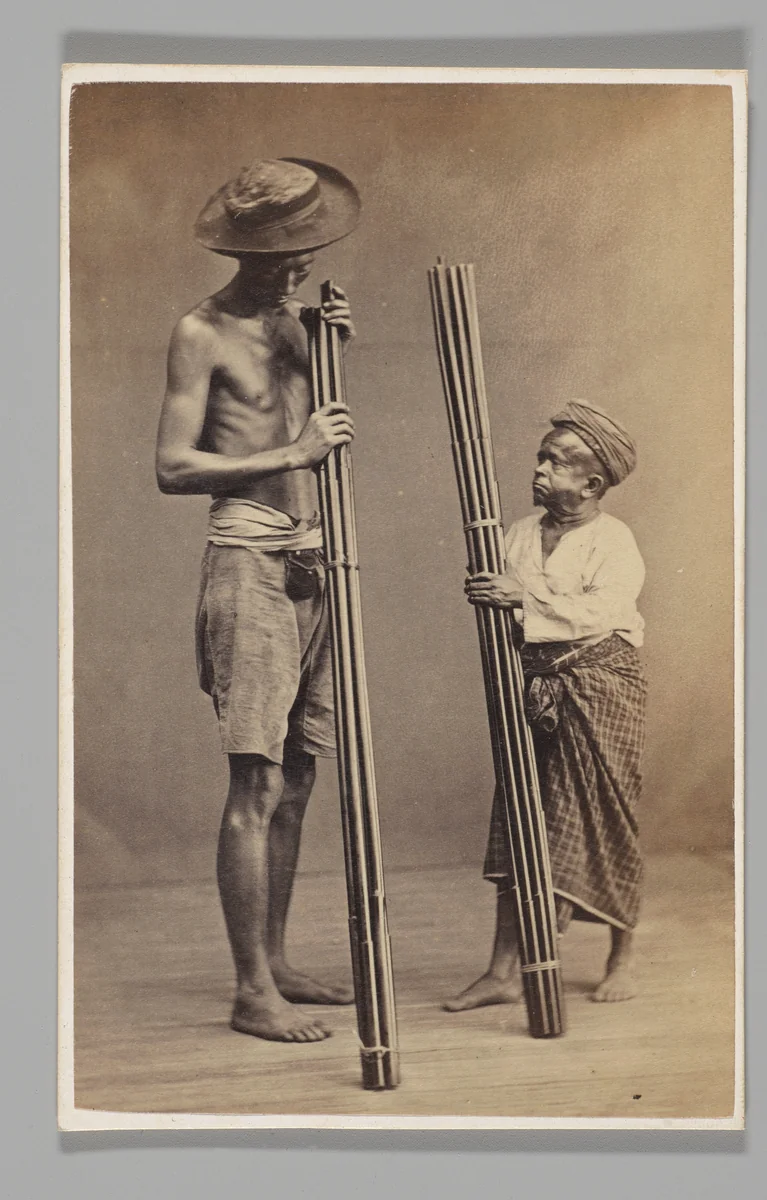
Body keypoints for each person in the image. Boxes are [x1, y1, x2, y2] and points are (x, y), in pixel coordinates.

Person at [155, 158, 362, 1043]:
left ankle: (274, 961)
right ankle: (249, 991)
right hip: (246, 563)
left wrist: (325, 350)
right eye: (285, 252)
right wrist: (293, 456)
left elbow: (299, 422)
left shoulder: (291, 321)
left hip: (314, 564)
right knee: (257, 778)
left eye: (308, 248)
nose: (300, 264)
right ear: (243, 249)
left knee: (302, 775)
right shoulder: (199, 332)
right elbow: (172, 467)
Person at [444, 400, 647, 1012]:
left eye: (559, 464)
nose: (541, 470)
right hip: (531, 689)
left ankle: (621, 958)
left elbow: (602, 614)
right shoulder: (518, 533)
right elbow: (505, 600)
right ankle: (504, 969)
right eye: (541, 457)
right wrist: (486, 591)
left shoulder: (614, 541)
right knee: (520, 822)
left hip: (599, 685)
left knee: (607, 819)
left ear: (591, 484)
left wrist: (521, 598)